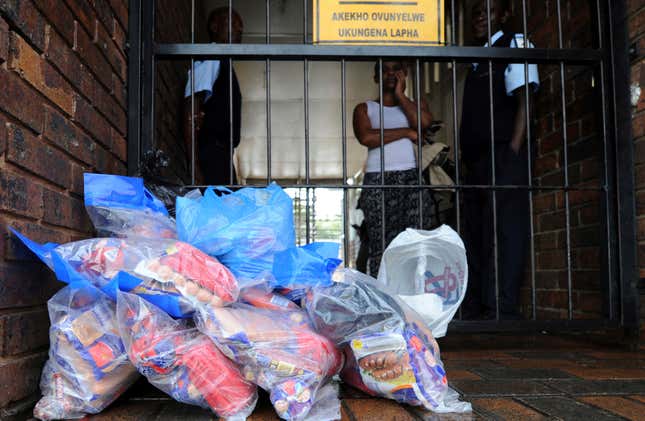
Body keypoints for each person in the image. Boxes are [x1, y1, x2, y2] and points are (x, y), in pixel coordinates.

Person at [460, 0, 539, 320]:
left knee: (505, 231)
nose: (479, 16)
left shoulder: (515, 43)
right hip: (477, 160)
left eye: (488, 11)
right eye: (476, 11)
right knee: (477, 232)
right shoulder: (477, 59)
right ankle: (479, 305)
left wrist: (512, 152)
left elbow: (526, 99)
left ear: (504, 15)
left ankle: (502, 307)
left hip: (503, 154)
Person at [353, 61, 433, 277]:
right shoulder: (364, 108)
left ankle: (414, 299)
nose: (390, 73)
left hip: (410, 178)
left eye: (395, 69)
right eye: (384, 70)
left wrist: (401, 95)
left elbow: (423, 124)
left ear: (404, 73)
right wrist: (407, 133)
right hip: (377, 179)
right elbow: (367, 137)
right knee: (381, 244)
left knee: (416, 240)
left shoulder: (416, 105)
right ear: (376, 77)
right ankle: (383, 300)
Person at [183, 7, 243, 185]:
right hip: (211, 156)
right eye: (233, 23)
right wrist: (194, 165)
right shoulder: (211, 57)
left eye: (241, 27)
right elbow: (190, 105)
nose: (239, 30)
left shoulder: (223, 62)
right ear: (215, 27)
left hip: (223, 157)